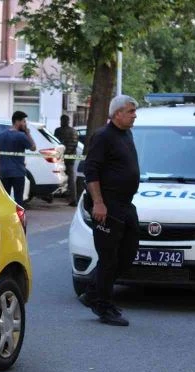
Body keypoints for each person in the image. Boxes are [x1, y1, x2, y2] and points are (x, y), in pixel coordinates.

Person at [78, 95, 140, 327]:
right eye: (131, 111)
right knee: (109, 258)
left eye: (134, 111)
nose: (135, 115)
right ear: (117, 114)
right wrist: (99, 203)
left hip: (125, 204)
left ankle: (93, 292)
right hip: (107, 204)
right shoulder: (102, 136)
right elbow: (91, 172)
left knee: (128, 252)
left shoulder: (126, 134)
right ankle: (104, 307)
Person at [0, 110, 36, 206]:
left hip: (4, 172)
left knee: (5, 199)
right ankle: (18, 219)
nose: (25, 124)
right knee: (18, 199)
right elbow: (33, 147)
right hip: (18, 172)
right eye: (23, 121)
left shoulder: (2, 135)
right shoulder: (21, 135)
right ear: (17, 121)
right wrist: (27, 133)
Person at [54, 114, 80, 206]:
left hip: (61, 158)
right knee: (71, 179)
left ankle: (51, 195)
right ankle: (73, 199)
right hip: (70, 158)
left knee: (56, 176)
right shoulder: (74, 131)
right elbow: (75, 145)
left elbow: (56, 143)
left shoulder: (58, 131)